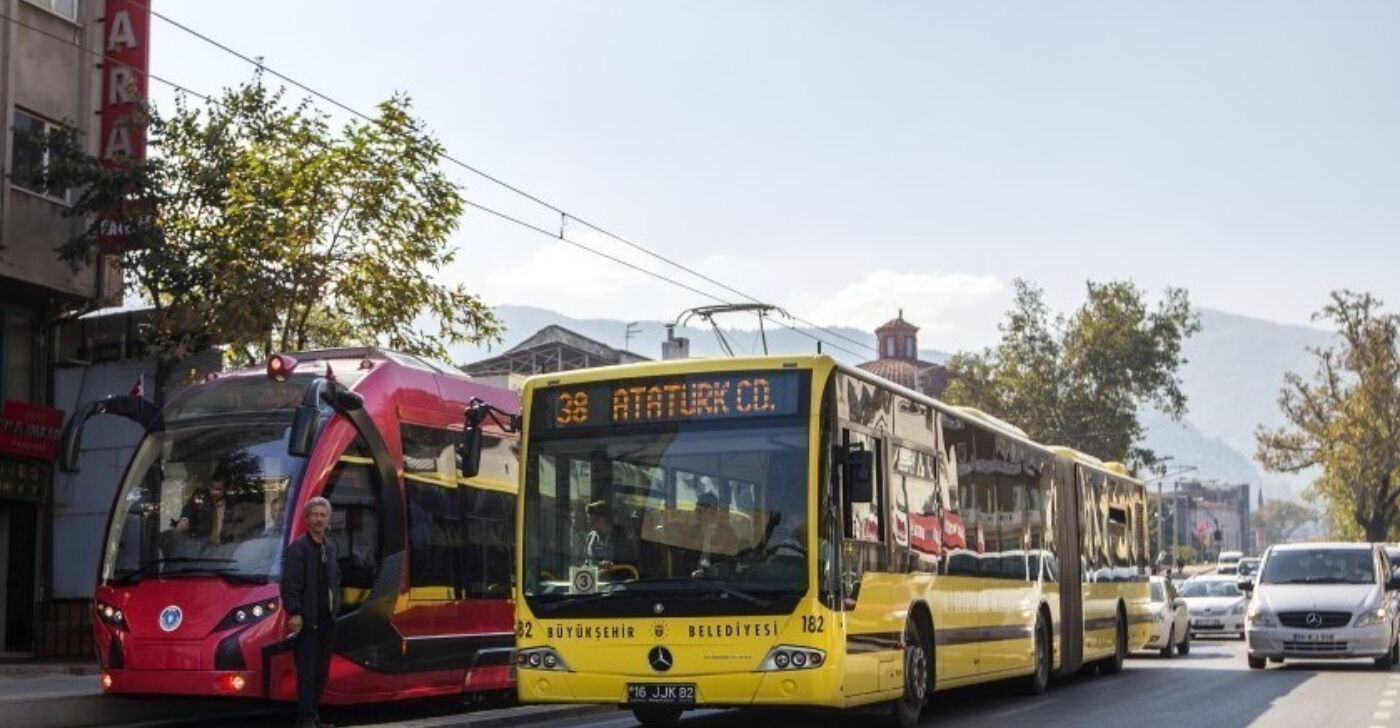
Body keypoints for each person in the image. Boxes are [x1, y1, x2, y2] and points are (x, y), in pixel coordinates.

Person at [281, 496, 340, 728]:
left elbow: (335, 579)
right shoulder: (299, 547)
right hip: (307, 622)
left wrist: (336, 608)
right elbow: (290, 583)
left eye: (323, 515)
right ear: (307, 519)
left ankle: (314, 717)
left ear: (328, 519)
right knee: (307, 674)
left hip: (327, 620)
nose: (319, 519)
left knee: (321, 673)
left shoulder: (330, 547)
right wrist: (295, 612)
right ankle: (305, 720)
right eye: (315, 515)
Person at [176, 463, 259, 543]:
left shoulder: (233, 504)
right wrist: (184, 519)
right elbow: (189, 507)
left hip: (226, 547)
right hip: (202, 547)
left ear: (226, 489)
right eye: (212, 487)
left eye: (218, 490)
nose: (213, 492)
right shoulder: (201, 497)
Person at [690, 491, 740, 577]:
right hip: (689, 580)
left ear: (713, 511)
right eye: (697, 509)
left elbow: (732, 559)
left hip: (717, 580)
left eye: (701, 510)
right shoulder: (692, 532)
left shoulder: (726, 533)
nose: (697, 513)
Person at [584, 500, 617, 567]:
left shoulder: (620, 538)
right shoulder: (590, 537)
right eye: (589, 520)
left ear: (602, 519)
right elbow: (587, 562)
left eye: (591, 520)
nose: (588, 522)